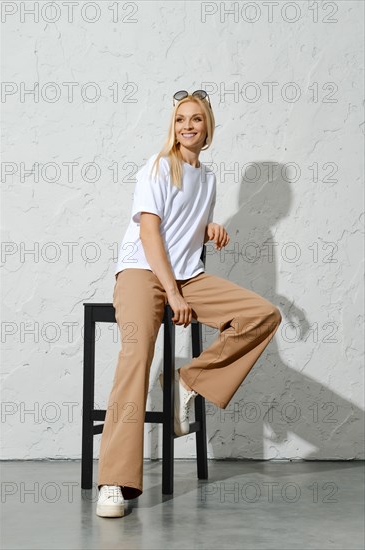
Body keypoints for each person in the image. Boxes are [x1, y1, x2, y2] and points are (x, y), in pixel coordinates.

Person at [96, 90, 282, 518]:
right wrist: (173, 293)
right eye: (181, 119)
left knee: (261, 315)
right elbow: (149, 234)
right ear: (173, 126)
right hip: (142, 272)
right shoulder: (159, 166)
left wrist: (208, 228)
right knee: (135, 358)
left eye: (196, 119)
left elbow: (183, 232)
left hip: (187, 275)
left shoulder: (209, 179)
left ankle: (187, 380)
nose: (187, 126)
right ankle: (114, 482)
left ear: (208, 128)